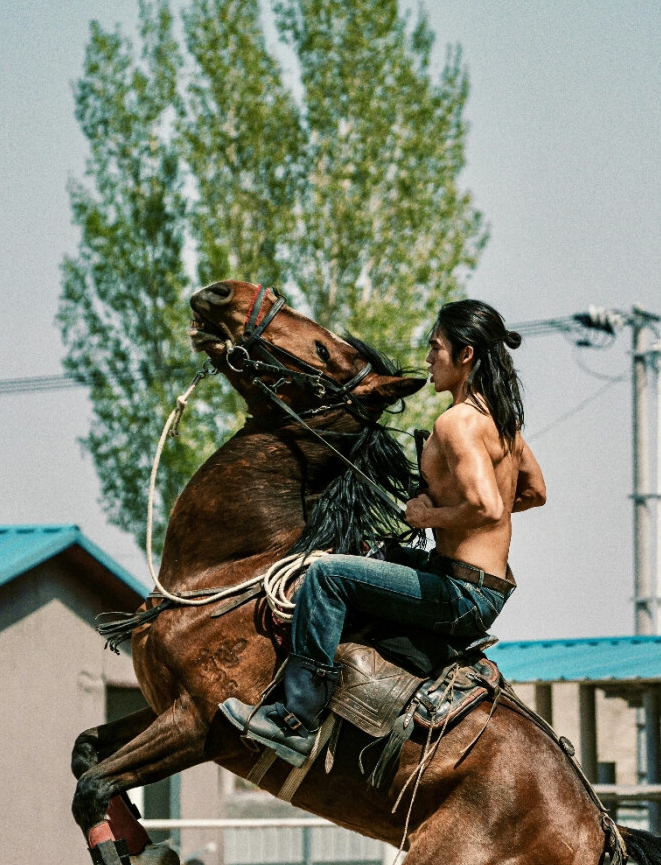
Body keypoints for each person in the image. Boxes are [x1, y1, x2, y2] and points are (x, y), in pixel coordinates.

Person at [221, 298, 547, 766]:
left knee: (327, 576)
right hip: (481, 585)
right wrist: (453, 507)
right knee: (372, 553)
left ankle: (296, 719)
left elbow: (486, 505)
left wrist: (427, 516)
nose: (429, 359)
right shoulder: (503, 422)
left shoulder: (456, 423)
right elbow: (533, 492)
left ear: (466, 355)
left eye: (436, 348)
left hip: (460, 592)